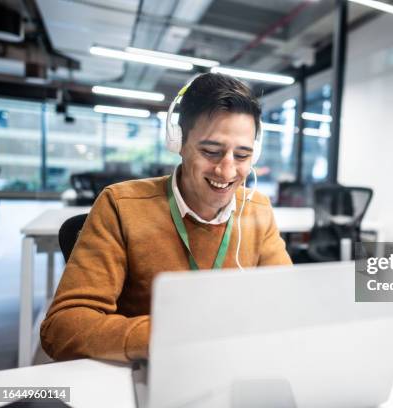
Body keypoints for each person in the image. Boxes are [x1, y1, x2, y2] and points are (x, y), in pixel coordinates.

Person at [40, 73, 292, 362]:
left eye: (242, 155)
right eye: (211, 151)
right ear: (178, 143)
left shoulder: (257, 209)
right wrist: (174, 335)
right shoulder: (122, 206)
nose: (227, 171)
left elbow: (284, 299)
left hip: (230, 366)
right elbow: (61, 328)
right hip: (150, 370)